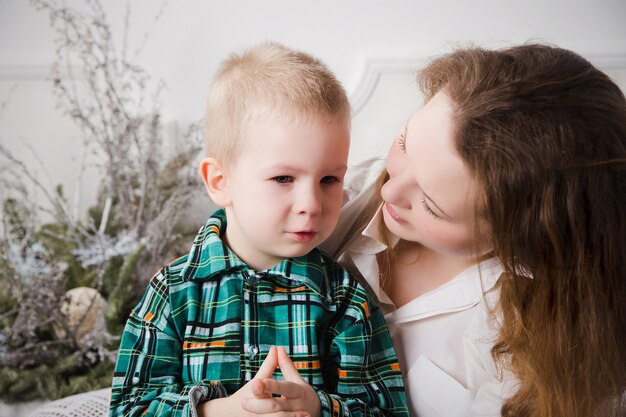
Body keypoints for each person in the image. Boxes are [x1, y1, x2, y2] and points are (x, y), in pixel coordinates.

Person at [322, 44, 626, 417]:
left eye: (432, 206)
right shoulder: (346, 189)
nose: (388, 191)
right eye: (404, 143)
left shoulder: (541, 351)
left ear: (515, 237)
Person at [109, 42, 408, 417]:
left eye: (329, 178)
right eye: (283, 178)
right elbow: (127, 410)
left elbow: (386, 410)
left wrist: (319, 408)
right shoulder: (172, 295)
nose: (312, 204)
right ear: (220, 181)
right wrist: (216, 411)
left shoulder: (346, 303)